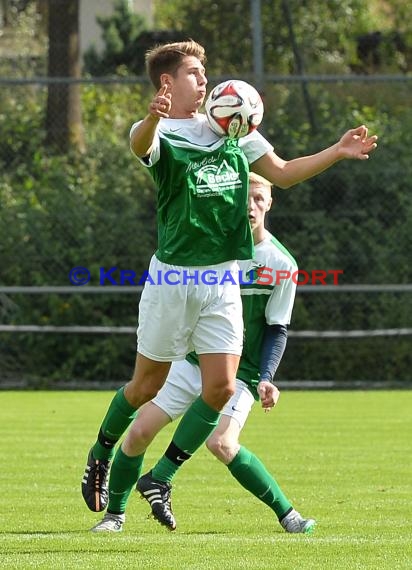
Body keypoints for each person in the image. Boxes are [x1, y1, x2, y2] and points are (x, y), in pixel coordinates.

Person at [81, 39, 378, 514]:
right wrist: (154, 117)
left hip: (221, 279)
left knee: (219, 388)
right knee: (145, 387)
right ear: (167, 81)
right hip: (173, 280)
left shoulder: (230, 123)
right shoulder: (155, 130)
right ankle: (100, 451)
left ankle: (163, 476)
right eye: (195, 73)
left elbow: (281, 173)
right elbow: (140, 144)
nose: (204, 80)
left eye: (204, 73)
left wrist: (337, 152)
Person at [91, 173, 314, 534]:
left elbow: (277, 327)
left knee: (222, 443)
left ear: (270, 203)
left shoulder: (281, 264)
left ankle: (288, 516)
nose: (252, 207)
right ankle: (115, 517)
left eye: (259, 199)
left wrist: (268, 377)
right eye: (245, 199)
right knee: (138, 434)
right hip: (192, 361)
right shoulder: (212, 250)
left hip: (239, 374)